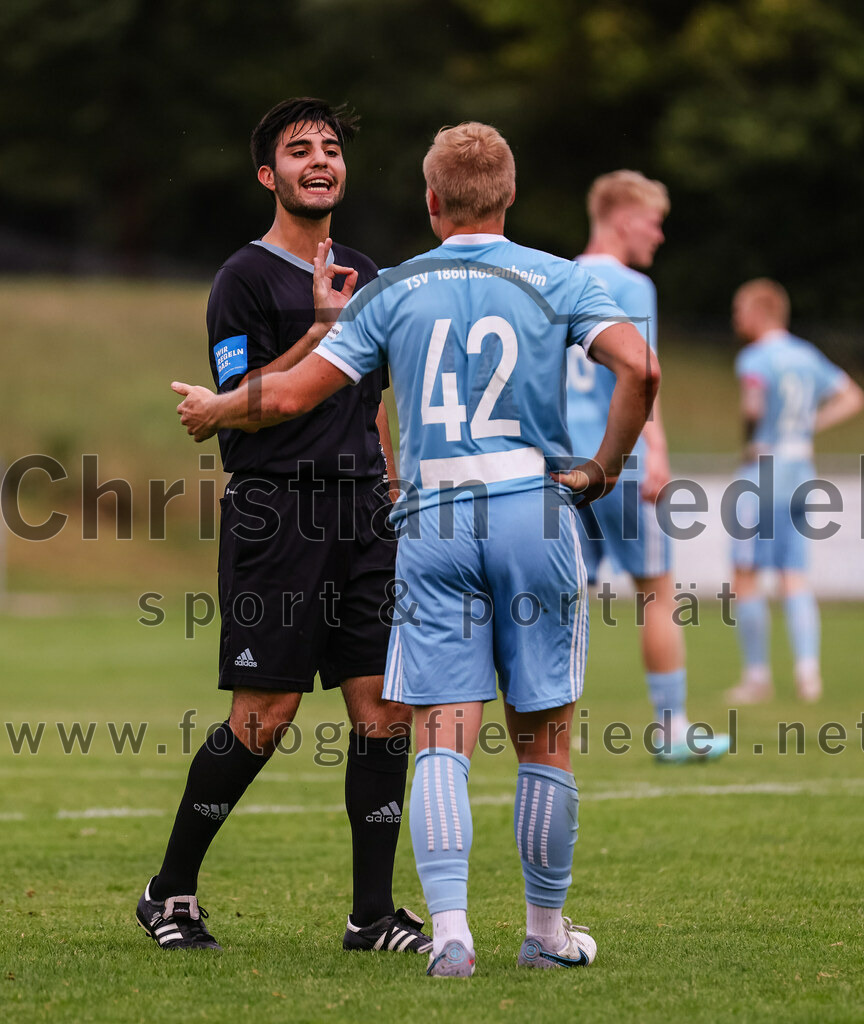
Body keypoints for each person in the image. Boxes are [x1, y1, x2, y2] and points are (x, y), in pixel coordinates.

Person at [172, 122, 657, 977]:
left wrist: (217, 408)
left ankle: (451, 931)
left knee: (434, 732)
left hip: (427, 520)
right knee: (543, 735)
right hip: (529, 507)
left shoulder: (391, 287)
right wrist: (602, 470)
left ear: (430, 202)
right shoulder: (558, 276)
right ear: (509, 197)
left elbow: (288, 395)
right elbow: (641, 370)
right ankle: (545, 934)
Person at [136, 97, 431, 956]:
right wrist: (322, 331)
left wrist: (392, 486)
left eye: (331, 149)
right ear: (269, 175)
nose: (320, 161)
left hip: (364, 516)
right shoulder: (244, 278)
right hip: (278, 512)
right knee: (265, 713)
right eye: (299, 151)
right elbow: (241, 412)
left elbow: (371, 398)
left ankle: (370, 914)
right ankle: (170, 892)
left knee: (384, 711)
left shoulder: (370, 273)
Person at [565, 170, 729, 762]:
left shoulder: (553, 280)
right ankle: (672, 728)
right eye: (654, 222)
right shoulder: (631, 285)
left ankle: (548, 728)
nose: (658, 236)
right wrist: (655, 453)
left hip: (564, 467)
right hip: (622, 462)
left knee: (564, 602)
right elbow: (639, 377)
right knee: (657, 593)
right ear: (623, 216)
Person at [725, 278, 864, 703]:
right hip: (802, 468)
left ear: (760, 312)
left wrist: (749, 438)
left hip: (764, 470)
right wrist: (809, 427)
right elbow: (852, 397)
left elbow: (753, 405)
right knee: (794, 575)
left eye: (740, 310)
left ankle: (757, 677)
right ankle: (808, 673)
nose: (735, 319)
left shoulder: (754, 357)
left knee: (746, 575)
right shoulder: (807, 355)